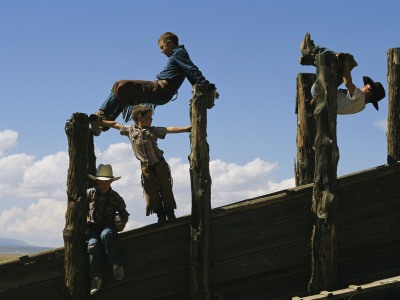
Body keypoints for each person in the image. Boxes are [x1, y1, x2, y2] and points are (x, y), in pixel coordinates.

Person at [90, 31, 218, 136]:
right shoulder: (179, 55)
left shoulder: (178, 53)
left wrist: (206, 87)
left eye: (162, 47)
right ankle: (103, 122)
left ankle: (101, 116)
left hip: (162, 90)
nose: (162, 51)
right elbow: (189, 73)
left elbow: (191, 70)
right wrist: (199, 89)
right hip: (162, 91)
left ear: (169, 43)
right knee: (125, 95)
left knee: (121, 85)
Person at [92, 105, 191, 223]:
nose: (151, 119)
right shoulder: (130, 130)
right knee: (151, 192)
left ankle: (170, 213)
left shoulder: (153, 130)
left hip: (159, 164)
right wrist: (100, 121)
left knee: (166, 188)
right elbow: (115, 125)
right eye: (149, 117)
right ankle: (160, 215)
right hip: (146, 167)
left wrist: (186, 129)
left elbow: (168, 129)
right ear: (140, 118)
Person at [299, 33, 386, 115]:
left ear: (370, 92)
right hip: (323, 99)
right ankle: (311, 59)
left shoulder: (360, 97)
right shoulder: (360, 106)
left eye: (366, 86)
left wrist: (346, 64)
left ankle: (313, 51)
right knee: (346, 61)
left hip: (321, 92)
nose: (363, 86)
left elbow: (348, 83)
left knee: (348, 59)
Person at [86, 164, 130, 295]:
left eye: (106, 182)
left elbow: (124, 215)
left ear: (111, 181)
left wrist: (121, 225)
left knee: (106, 235)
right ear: (97, 181)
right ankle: (96, 278)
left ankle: (116, 265)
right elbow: (81, 210)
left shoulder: (115, 197)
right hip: (92, 228)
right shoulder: (89, 193)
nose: (104, 184)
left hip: (108, 226)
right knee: (92, 245)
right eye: (101, 181)